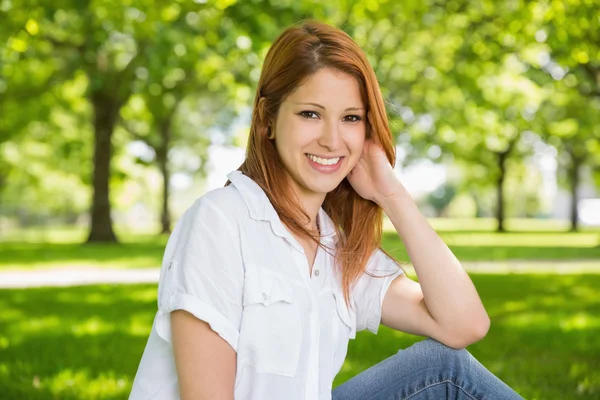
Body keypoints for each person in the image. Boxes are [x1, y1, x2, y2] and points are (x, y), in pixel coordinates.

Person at [130, 20, 523, 400]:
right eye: (310, 114)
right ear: (268, 119)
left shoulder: (336, 244)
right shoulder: (219, 221)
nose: (332, 140)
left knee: (445, 369)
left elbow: (464, 324)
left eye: (351, 118)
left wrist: (392, 195)